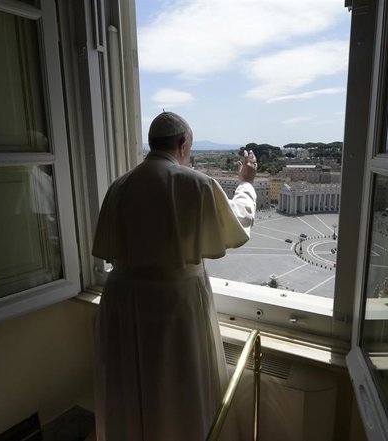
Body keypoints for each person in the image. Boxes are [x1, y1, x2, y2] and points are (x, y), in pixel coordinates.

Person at [92, 111, 257, 441]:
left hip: (121, 301)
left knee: (129, 388)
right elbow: (238, 222)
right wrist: (245, 184)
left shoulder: (119, 186)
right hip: (174, 306)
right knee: (178, 390)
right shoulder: (194, 183)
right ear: (183, 145)